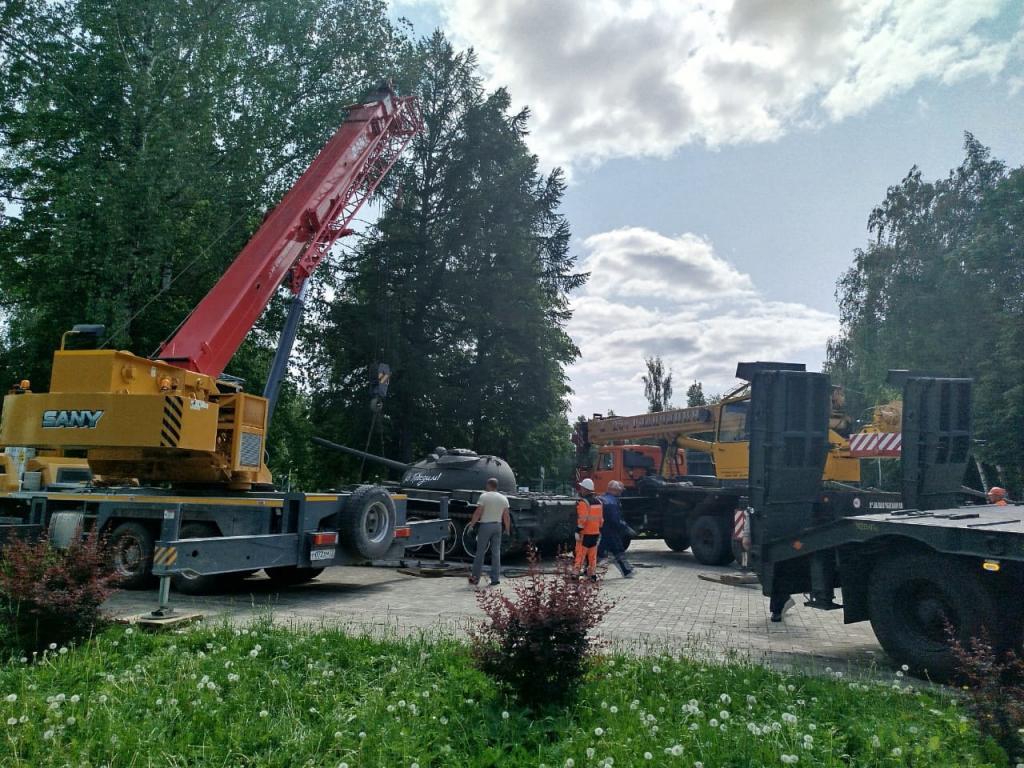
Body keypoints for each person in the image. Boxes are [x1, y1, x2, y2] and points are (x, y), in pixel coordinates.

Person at [467, 477, 511, 587]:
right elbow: (506, 516)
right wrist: (507, 529)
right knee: (496, 553)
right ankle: (495, 578)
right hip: (498, 526)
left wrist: (471, 525)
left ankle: (475, 578)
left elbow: (478, 512)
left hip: (486, 525)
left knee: (480, 552)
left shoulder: (484, 496)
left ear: (488, 485)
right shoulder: (503, 498)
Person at [598, 480, 635, 578]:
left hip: (600, 530)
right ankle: (627, 571)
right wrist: (626, 528)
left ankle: (586, 570)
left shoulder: (602, 498)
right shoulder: (612, 502)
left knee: (598, 552)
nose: (620, 493)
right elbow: (615, 519)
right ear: (615, 490)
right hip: (611, 531)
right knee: (618, 550)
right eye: (619, 491)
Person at [574, 478, 604, 581]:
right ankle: (592, 574)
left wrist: (578, 530)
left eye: (582, 487)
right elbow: (601, 520)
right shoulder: (599, 502)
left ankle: (576, 573)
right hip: (595, 533)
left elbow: (583, 518)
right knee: (592, 555)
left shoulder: (583, 502)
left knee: (580, 554)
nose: (581, 489)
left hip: (585, 533)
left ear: (585, 489)